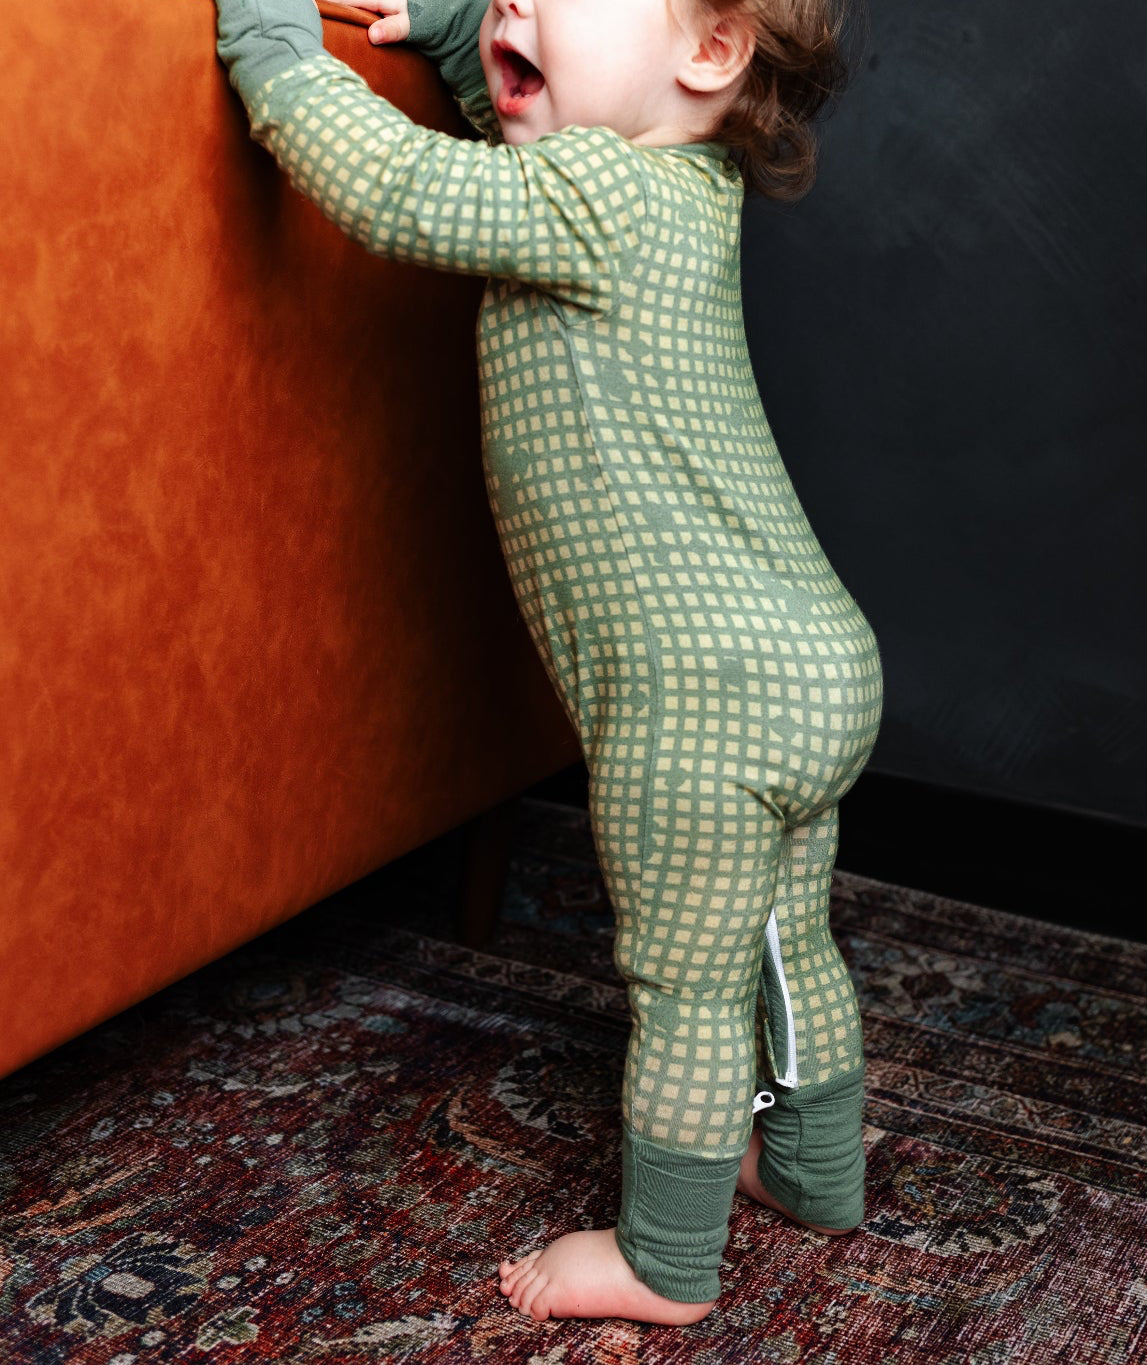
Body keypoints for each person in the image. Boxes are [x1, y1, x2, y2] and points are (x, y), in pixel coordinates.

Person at [212, 0, 883, 1327]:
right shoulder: (675, 184)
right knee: (781, 936)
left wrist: (269, 42)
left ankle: (664, 1261)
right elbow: (526, 115)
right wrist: (461, 31)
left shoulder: (595, 195)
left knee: (687, 987)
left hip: (700, 698)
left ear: (709, 53)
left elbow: (399, 184)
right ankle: (814, 1168)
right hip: (809, 661)